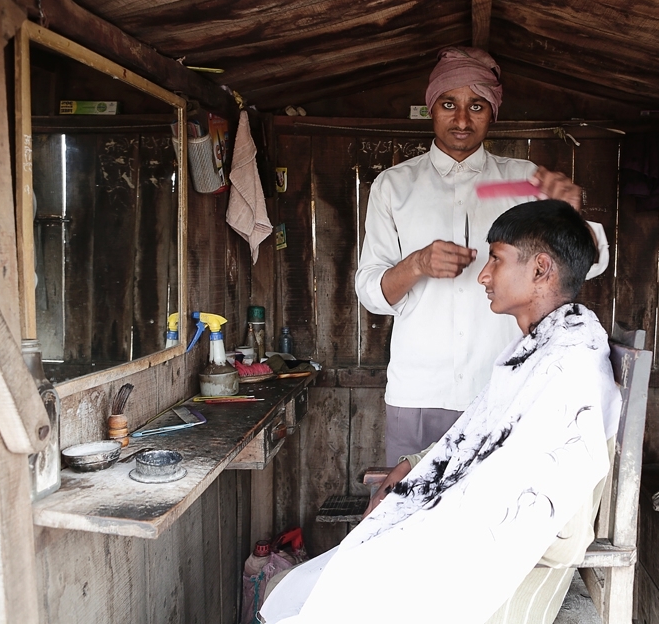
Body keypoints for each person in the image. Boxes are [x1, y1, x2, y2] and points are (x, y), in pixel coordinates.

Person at [259, 200, 621, 624]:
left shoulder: (570, 368)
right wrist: (415, 467)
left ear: (540, 269)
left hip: (504, 579)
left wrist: (439, 521)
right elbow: (488, 445)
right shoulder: (543, 347)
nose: (483, 275)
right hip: (470, 546)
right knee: (309, 587)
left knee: (322, 596)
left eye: (496, 259)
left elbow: (562, 535)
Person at [355, 46, 610, 465]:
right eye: (448, 104)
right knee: (408, 500)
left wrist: (572, 215)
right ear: (430, 107)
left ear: (492, 113)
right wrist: (417, 264)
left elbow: (588, 266)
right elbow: (370, 292)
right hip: (418, 391)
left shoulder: (523, 181)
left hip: (504, 386)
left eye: (476, 106)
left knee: (498, 503)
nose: (461, 120)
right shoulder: (393, 186)